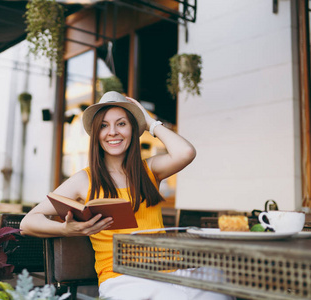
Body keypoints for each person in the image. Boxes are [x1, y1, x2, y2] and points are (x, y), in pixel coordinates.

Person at [20, 91, 233, 300]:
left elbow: (186, 152)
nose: (112, 131)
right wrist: (67, 229)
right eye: (104, 125)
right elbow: (28, 222)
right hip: (123, 278)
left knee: (218, 286)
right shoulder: (84, 180)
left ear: (133, 129)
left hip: (171, 271)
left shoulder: (150, 170)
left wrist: (149, 122)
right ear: (96, 134)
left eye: (121, 123)